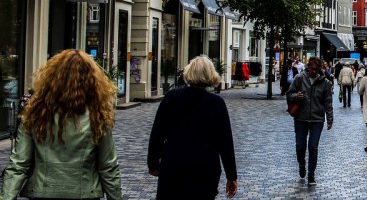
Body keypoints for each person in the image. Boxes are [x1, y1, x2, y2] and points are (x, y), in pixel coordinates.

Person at [2, 49, 122, 200]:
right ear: (91, 80)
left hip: (41, 191)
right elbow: (108, 167)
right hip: (84, 193)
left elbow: (18, 165)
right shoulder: (97, 117)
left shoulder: (35, 113)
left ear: (52, 77)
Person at [148, 55, 237, 199]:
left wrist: (152, 163)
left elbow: (157, 133)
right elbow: (225, 143)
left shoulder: (171, 97)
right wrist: (231, 176)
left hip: (174, 165)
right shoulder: (216, 103)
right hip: (205, 169)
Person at [287, 57, 333, 187]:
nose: (313, 71)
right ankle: (302, 164)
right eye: (311, 69)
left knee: (313, 146)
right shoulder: (300, 79)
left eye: (315, 69)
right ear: (307, 68)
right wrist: (297, 96)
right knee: (300, 146)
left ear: (319, 69)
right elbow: (289, 94)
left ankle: (311, 174)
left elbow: (328, 102)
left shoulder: (325, 83)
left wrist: (330, 119)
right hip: (301, 118)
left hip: (317, 119)